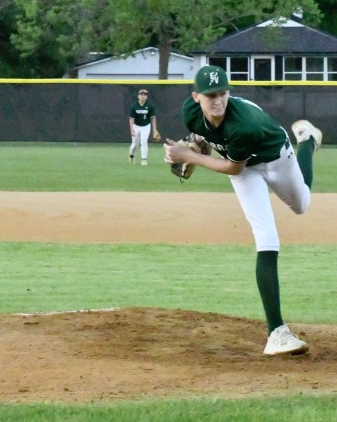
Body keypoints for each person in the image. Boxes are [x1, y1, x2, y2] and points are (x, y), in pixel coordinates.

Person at [163, 65, 322, 356]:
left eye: (222, 93)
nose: (217, 100)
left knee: (302, 205)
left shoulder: (244, 124)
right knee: (267, 237)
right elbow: (228, 158)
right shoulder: (190, 112)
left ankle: (307, 141)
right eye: (210, 95)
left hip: (276, 156)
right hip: (246, 170)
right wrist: (199, 143)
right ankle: (277, 332)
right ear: (196, 97)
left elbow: (231, 167)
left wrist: (188, 156)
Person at [128, 88, 159, 165]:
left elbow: (153, 118)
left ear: (147, 97)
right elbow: (131, 119)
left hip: (146, 126)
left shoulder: (149, 106)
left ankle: (144, 160)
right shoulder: (134, 106)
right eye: (141, 94)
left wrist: (154, 130)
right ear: (138, 96)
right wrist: (132, 130)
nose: (143, 96)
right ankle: (131, 155)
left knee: (144, 142)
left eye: (145, 95)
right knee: (135, 145)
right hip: (136, 126)